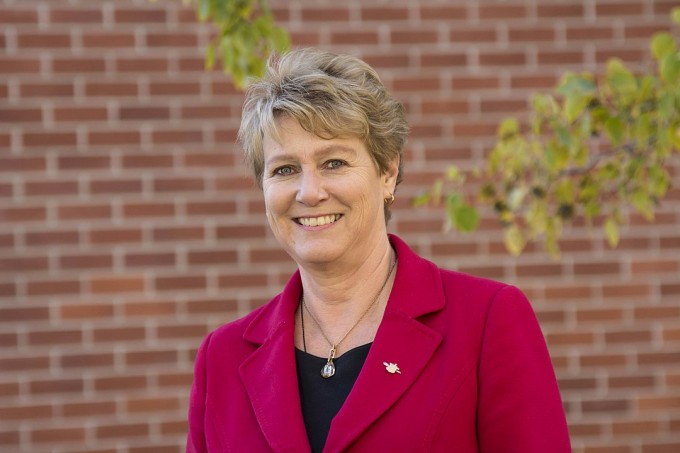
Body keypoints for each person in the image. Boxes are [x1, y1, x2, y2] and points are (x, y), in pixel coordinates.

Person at [186, 48, 571, 453]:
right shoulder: (221, 359)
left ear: (387, 171)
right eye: (285, 169)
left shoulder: (486, 322)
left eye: (334, 162)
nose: (309, 192)